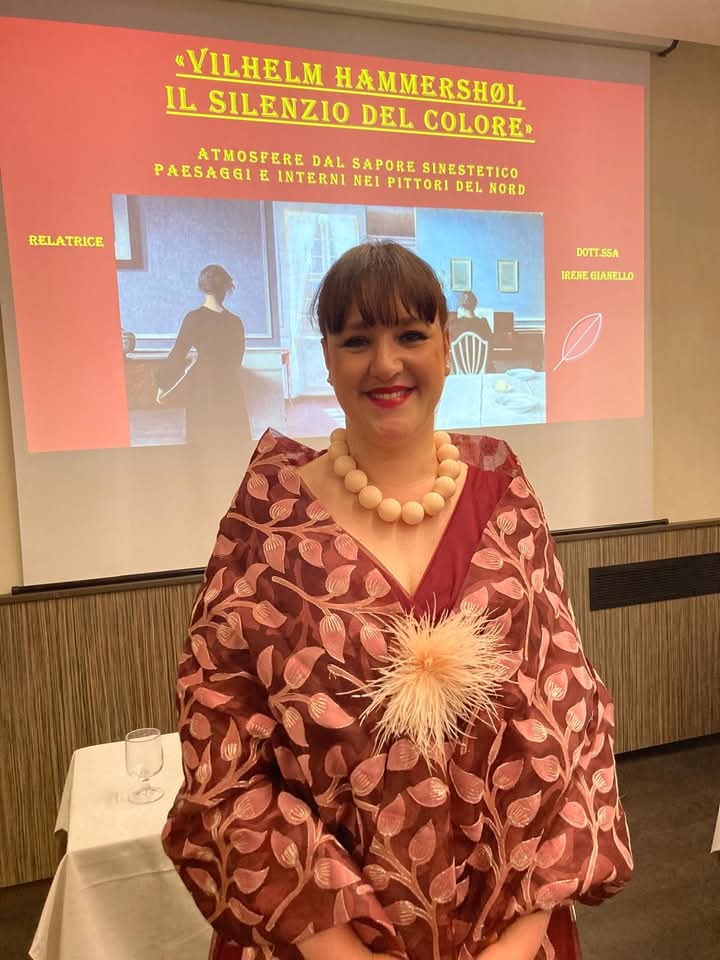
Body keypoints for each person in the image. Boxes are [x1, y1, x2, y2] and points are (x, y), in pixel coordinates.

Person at [162, 242, 633, 960]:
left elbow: (567, 720)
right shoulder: (270, 520)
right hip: (319, 938)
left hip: (506, 931)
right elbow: (221, 755)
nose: (386, 364)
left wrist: (518, 941)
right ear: (328, 358)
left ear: (444, 345)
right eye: (358, 341)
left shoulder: (503, 497)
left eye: (410, 335)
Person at [156, 264, 249, 447]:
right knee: (231, 443)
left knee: (202, 443)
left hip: (202, 389)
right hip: (230, 388)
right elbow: (236, 361)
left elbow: (178, 353)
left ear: (203, 288)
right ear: (226, 288)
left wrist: (163, 386)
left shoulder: (194, 318)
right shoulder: (235, 322)